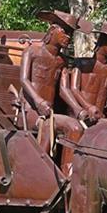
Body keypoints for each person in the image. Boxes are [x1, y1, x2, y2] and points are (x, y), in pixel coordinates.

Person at [20, 10, 86, 173]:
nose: (68, 37)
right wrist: (38, 101)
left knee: (75, 126)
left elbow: (64, 89)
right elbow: (24, 80)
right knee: (71, 127)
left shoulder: (61, 61)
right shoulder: (32, 51)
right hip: (28, 112)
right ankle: (38, 172)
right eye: (64, 32)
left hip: (49, 113)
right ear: (52, 30)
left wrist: (78, 109)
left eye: (70, 34)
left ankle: (67, 174)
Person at [61, 19, 107, 125]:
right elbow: (74, 89)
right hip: (79, 117)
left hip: (99, 119)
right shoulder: (81, 64)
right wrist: (88, 107)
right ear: (103, 40)